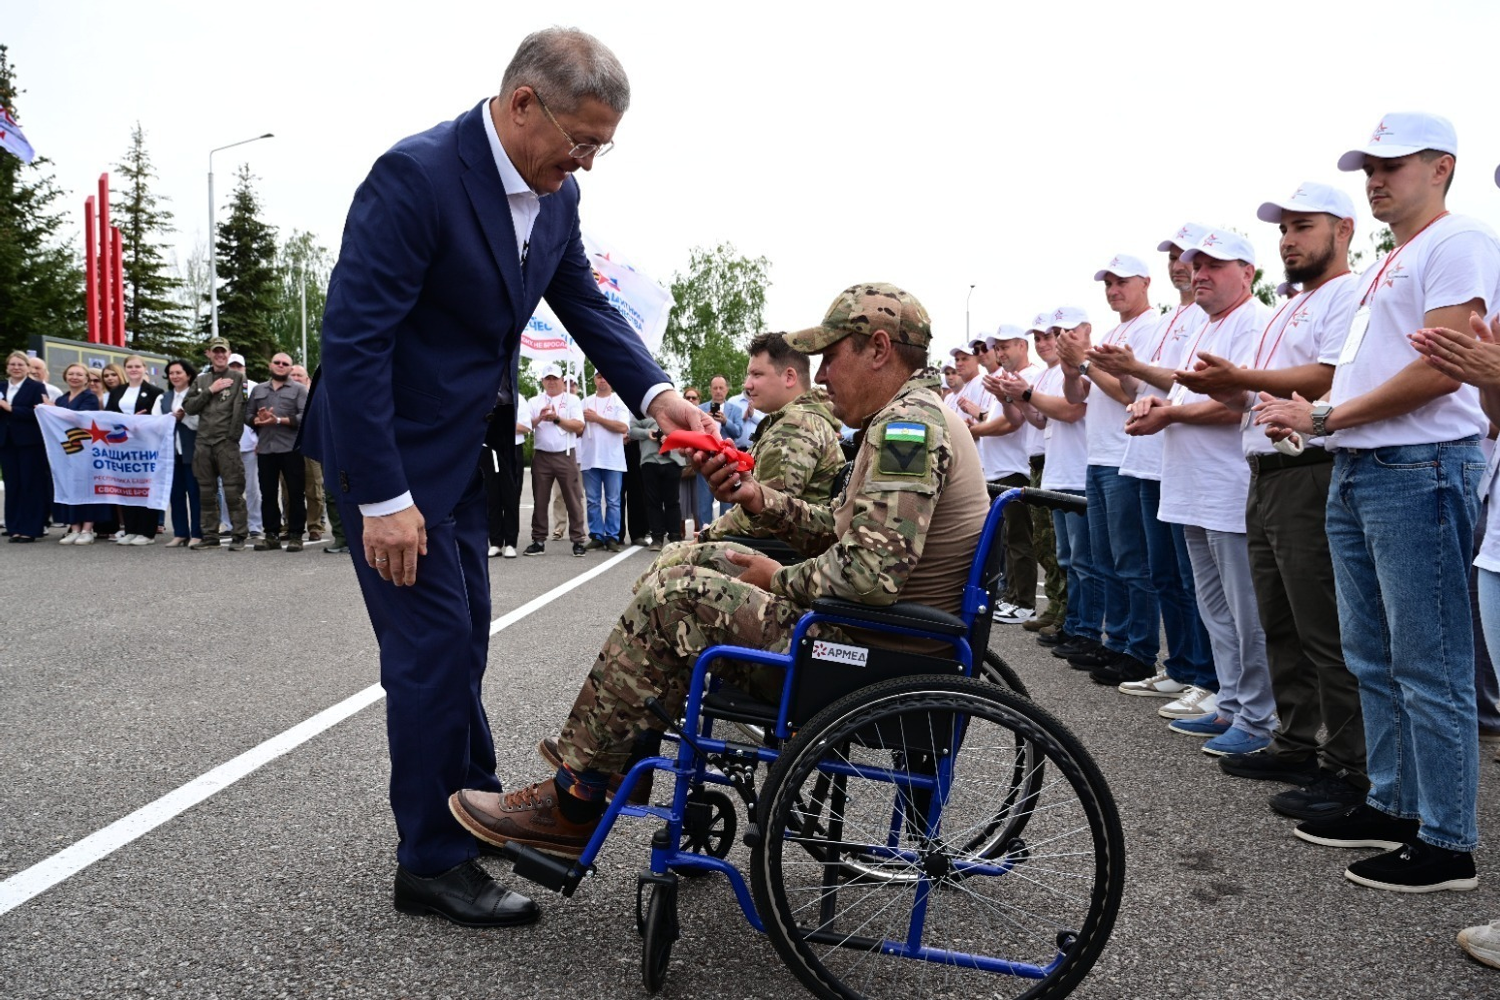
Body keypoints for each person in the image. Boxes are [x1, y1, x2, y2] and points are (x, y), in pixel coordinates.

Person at [299, 27, 711, 928]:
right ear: (523, 103)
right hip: (391, 454)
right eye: (581, 140)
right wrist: (383, 500)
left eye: (602, 146)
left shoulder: (556, 198)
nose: (588, 162)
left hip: (459, 453)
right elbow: (355, 344)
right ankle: (431, 862)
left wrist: (660, 394)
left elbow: (586, 305)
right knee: (431, 654)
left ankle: (470, 805)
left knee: (467, 641)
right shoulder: (416, 177)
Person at [447, 281, 989, 859]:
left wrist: (774, 577)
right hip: (873, 642)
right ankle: (611, 757)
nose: (823, 374)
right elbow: (839, 530)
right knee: (689, 572)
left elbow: (867, 575)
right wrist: (758, 498)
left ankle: (573, 801)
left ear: (878, 349)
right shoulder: (912, 416)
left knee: (677, 599)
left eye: (832, 357)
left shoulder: (910, 427)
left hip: (867, 657)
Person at [1258, 112, 1500, 893]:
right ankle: (1394, 803)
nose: (1376, 178)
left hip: (1418, 465)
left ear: (1442, 167)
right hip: (1364, 467)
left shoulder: (1460, 240)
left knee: (1429, 662)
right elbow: (1371, 369)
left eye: (1392, 164)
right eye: (1369, 166)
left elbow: (1445, 367)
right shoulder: (1391, 260)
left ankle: (1448, 841)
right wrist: (1328, 421)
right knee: (1371, 653)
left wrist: (1326, 418)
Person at [1176, 184, 1368, 820]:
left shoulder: (1346, 293)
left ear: (1343, 230)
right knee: (1280, 619)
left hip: (1308, 466)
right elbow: (1251, 394)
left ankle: (1349, 765)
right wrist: (1215, 387)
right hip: (1265, 468)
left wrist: (1241, 379)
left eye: (1302, 226)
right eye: (1284, 228)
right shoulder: (1291, 306)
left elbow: (1329, 376)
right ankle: (1295, 739)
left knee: (1322, 625)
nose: (1289, 239)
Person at [1128, 229, 1275, 757]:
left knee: (1246, 610)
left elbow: (1241, 403)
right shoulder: (1204, 325)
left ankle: (1259, 717)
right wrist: (1156, 405)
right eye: (1197, 265)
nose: (1201, 274)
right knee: (1215, 607)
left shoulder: (1252, 322)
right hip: (1193, 485)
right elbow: (1185, 394)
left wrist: (1170, 413)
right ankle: (1231, 704)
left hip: (1227, 485)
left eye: (1215, 265)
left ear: (1247, 273)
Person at [1089, 225, 1217, 716]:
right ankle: (1182, 668)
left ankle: (1207, 677)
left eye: (1194, 258)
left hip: (1178, 458)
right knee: (1166, 575)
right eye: (1176, 258)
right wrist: (1119, 371)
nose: (1181, 266)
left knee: (1190, 579)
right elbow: (1137, 389)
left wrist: (1119, 370)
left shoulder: (1195, 318)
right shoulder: (1170, 320)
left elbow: (1184, 384)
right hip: (1148, 457)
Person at [1060, 256, 1163, 684]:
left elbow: (1128, 395)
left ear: (1146, 283)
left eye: (1122, 282)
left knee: (1131, 561)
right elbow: (1077, 396)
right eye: (1108, 284)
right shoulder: (1111, 334)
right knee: (1105, 560)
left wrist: (1084, 363)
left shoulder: (1150, 328)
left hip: (1124, 456)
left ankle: (1139, 650)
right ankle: (1115, 640)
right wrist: (1071, 368)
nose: (1113, 290)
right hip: (1098, 456)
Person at [994, 309, 1091, 657]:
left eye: (1051, 335)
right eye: (1040, 337)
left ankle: (1076, 622)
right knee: (1056, 550)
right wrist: (1014, 398)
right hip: (1051, 467)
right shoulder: (1049, 374)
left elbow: (1071, 410)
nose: (1045, 342)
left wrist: (1025, 395)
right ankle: (1062, 612)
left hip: (1070, 468)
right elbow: (1037, 420)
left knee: (1077, 557)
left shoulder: (1063, 371)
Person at [702, 331, 844, 541]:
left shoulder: (794, 427)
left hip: (777, 551)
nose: (747, 385)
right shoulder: (799, 420)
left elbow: (767, 515)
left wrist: (708, 534)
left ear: (789, 377)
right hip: (778, 548)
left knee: (673, 557)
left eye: (757, 374)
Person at [976, 326, 1042, 625]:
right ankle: (1014, 596)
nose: (1000, 353)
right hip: (999, 468)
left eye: (1005, 346)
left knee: (1019, 539)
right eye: (998, 348)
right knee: (1008, 539)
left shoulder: (1032, 376)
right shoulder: (1005, 379)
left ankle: (1025, 602)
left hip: (1016, 468)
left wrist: (974, 429)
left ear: (1022, 346)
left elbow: (1013, 424)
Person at [182, 337, 249, 550]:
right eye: (216, 351)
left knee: (233, 491)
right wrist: (210, 390)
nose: (219, 355)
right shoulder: (201, 380)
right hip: (203, 442)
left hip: (225, 442)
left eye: (223, 351)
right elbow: (189, 407)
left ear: (229, 354)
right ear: (209, 354)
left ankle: (239, 535)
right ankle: (210, 535)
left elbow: (240, 408)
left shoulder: (238, 378)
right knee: (206, 492)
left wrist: (232, 438)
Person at [246, 353, 309, 552]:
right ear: (270, 365)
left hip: (291, 449)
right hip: (266, 449)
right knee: (268, 494)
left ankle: (296, 535)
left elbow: (305, 416)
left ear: (290, 368)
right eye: (277, 362)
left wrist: (279, 420)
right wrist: (256, 420)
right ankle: (271, 534)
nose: (281, 365)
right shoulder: (258, 390)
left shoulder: (299, 389)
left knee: (296, 493)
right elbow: (248, 414)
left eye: (285, 363)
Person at [525, 365, 589, 556]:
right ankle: (538, 539)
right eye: (548, 378)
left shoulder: (572, 400)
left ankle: (578, 540)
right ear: (543, 381)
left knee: (572, 498)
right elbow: (526, 426)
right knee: (540, 499)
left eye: (555, 378)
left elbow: (579, 426)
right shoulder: (535, 401)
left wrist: (556, 419)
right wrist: (540, 418)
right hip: (541, 455)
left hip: (565, 454)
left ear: (562, 380)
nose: (551, 382)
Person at [104, 354, 166, 545]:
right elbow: (108, 415)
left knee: (146, 487)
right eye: (130, 366)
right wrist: (126, 421)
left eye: (137, 366)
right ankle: (131, 529)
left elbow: (159, 418)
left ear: (144, 368)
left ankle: (147, 532)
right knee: (127, 486)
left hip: (146, 445)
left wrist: (140, 421)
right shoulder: (117, 391)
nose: (133, 370)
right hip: (123, 445)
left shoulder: (155, 392)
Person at [50, 364, 106, 545]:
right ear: (65, 376)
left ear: (86, 379)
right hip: (66, 450)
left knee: (86, 487)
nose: (74, 377)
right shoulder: (61, 399)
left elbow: (79, 418)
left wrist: (52, 409)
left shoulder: (90, 397)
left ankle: (87, 529)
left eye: (79, 375)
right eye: (71, 374)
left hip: (85, 448)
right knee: (69, 486)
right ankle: (74, 528)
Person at [580, 372, 632, 550]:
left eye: (605, 376)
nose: (603, 380)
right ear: (594, 380)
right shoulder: (585, 402)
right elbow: (578, 428)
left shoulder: (619, 401)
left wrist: (598, 419)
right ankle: (596, 535)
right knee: (592, 500)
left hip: (612, 459)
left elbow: (623, 427)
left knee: (613, 501)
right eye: (599, 377)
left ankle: (612, 536)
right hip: (590, 458)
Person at [0, 351, 47, 542]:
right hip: (6, 442)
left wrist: (10, 408)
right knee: (12, 485)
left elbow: (39, 412)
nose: (16, 368)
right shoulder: (2, 386)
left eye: (20, 364)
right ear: (7, 367)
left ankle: (31, 528)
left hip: (29, 442)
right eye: (12, 364)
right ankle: (14, 527)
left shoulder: (36, 387)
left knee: (30, 484)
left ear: (28, 368)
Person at [160, 360, 202, 548]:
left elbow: (200, 423)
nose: (175, 376)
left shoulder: (196, 396)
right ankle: (180, 533)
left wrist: (184, 418)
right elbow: (156, 421)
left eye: (179, 372)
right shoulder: (164, 398)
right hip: (171, 453)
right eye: (171, 373)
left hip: (192, 451)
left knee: (195, 494)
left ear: (188, 375)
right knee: (175, 495)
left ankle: (197, 533)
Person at [694, 375, 744, 530]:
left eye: (721, 388)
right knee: (704, 500)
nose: (718, 391)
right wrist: (704, 421)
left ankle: (725, 531)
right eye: (715, 388)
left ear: (726, 390)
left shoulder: (735, 410)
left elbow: (738, 432)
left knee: (727, 500)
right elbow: (694, 433)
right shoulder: (700, 409)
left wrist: (725, 421)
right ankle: (704, 532)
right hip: (705, 459)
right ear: (710, 390)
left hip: (726, 461)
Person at [628, 414, 683, 550]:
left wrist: (671, 436)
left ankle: (675, 536)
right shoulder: (640, 412)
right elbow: (631, 431)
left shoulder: (675, 408)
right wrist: (647, 433)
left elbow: (686, 429)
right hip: (650, 461)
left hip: (673, 461)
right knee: (653, 502)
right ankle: (657, 538)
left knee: (673, 501)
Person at [226, 353, 263, 541]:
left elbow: (260, 416)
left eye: (238, 367)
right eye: (232, 367)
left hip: (250, 445)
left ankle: (255, 525)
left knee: (252, 488)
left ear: (244, 369)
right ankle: (229, 524)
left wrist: (260, 440)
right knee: (227, 487)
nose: (235, 370)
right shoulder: (220, 386)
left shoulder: (255, 387)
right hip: (226, 445)